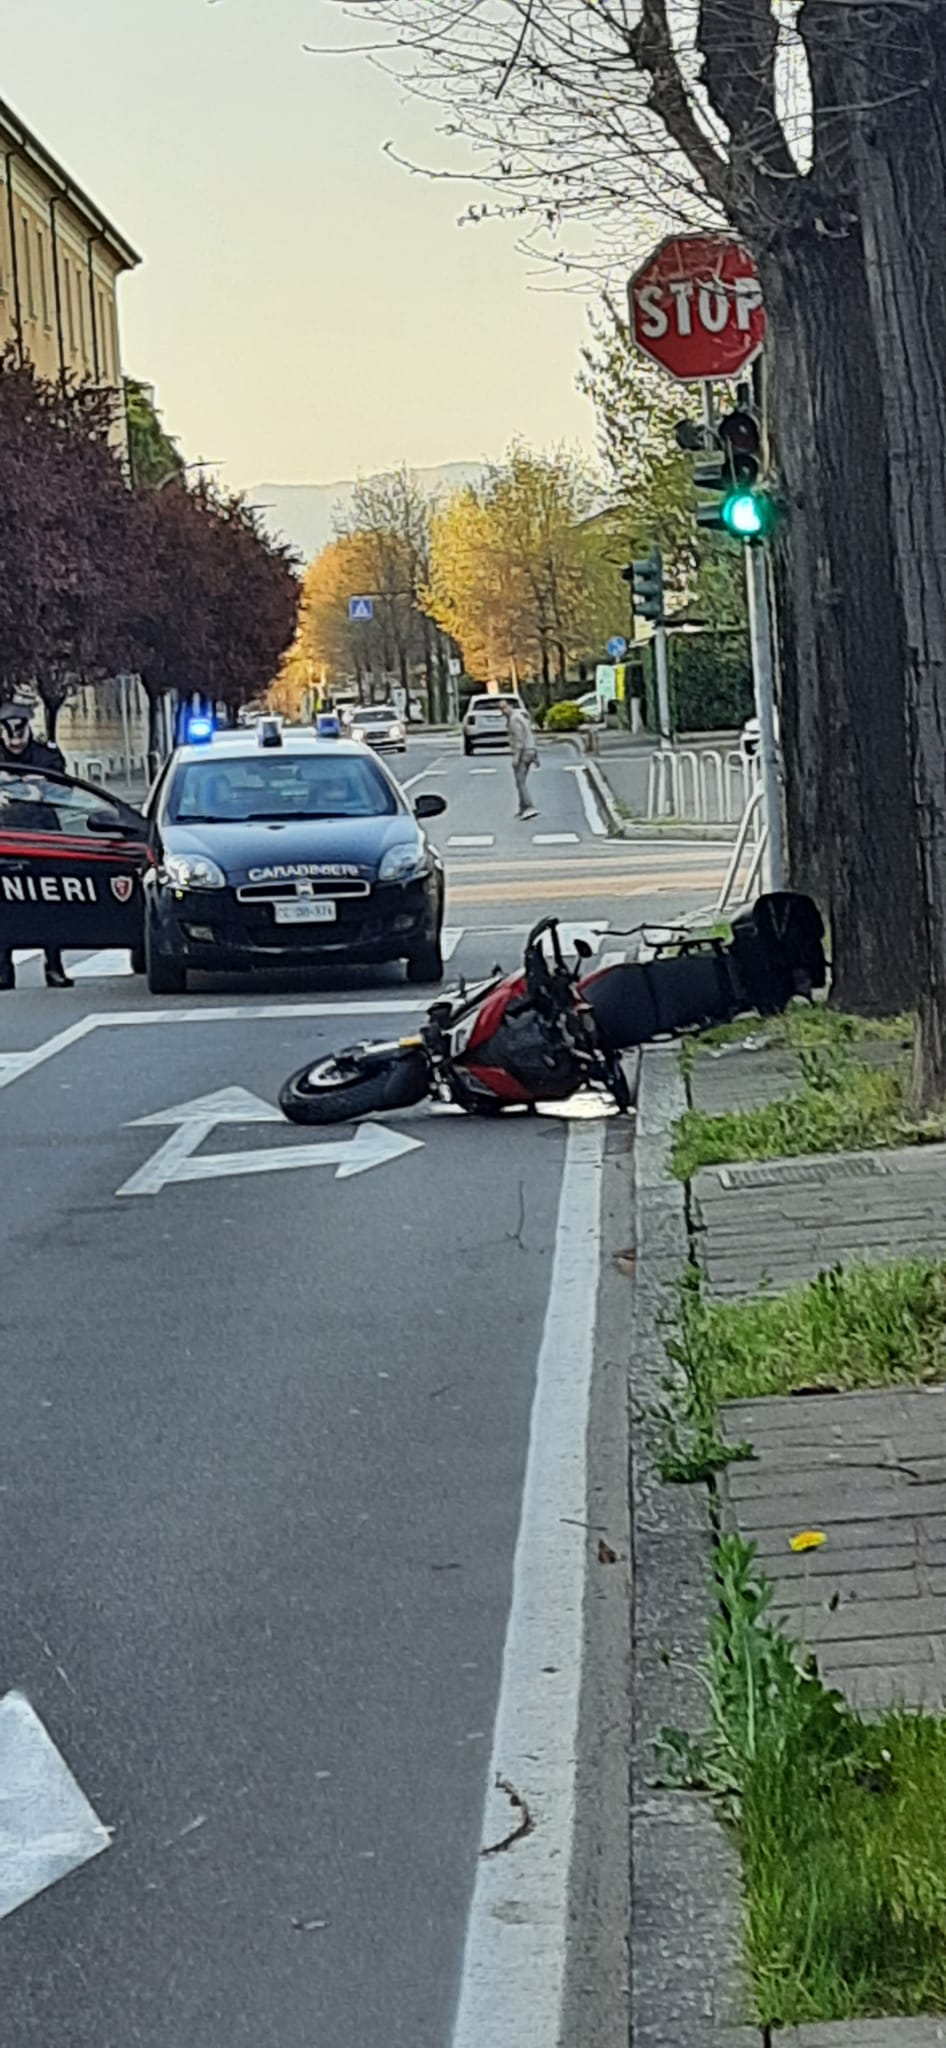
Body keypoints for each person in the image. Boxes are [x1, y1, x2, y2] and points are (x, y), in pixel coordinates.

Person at [0, 703, 74, 990]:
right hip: (6, 839)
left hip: (44, 837)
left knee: (48, 902)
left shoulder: (46, 756)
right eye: (9, 737)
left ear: (28, 729)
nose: (15, 742)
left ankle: (54, 965)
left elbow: (65, 791)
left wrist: (36, 789)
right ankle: (3, 968)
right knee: (4, 904)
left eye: (19, 735)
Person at [501, 698, 539, 820]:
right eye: (500, 709)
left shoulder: (514, 720)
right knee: (520, 780)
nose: (502, 712)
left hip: (524, 752)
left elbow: (519, 739)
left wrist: (516, 757)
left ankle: (529, 807)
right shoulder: (521, 717)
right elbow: (530, 735)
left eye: (504, 708)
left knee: (520, 781)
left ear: (510, 707)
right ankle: (522, 808)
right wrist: (536, 755)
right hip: (530, 750)